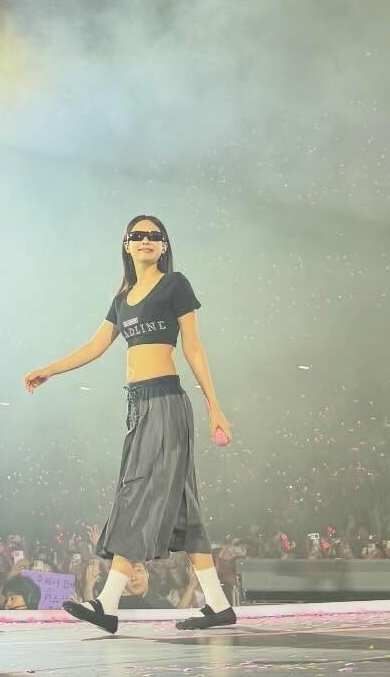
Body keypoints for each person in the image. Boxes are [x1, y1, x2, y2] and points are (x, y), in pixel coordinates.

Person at [24, 212, 236, 634]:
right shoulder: (122, 299)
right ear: (126, 244)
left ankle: (107, 602)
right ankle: (218, 604)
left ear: (164, 245)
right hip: (139, 407)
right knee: (183, 508)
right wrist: (49, 369)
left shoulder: (175, 285)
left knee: (137, 494)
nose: (146, 240)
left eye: (154, 235)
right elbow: (94, 345)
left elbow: (193, 348)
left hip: (166, 403)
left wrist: (214, 406)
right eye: (138, 235)